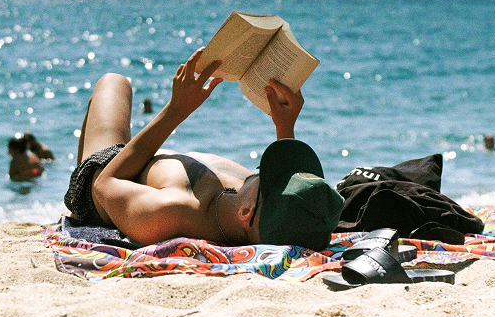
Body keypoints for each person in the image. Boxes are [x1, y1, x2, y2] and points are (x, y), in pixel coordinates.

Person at [65, 48, 344, 250]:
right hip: (149, 167)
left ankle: (72, 211)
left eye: (269, 176)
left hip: (104, 176)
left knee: (114, 82)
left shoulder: (170, 212)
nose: (263, 171)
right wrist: (285, 125)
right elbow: (293, 202)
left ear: (246, 212)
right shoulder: (248, 207)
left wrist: (176, 111)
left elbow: (106, 184)